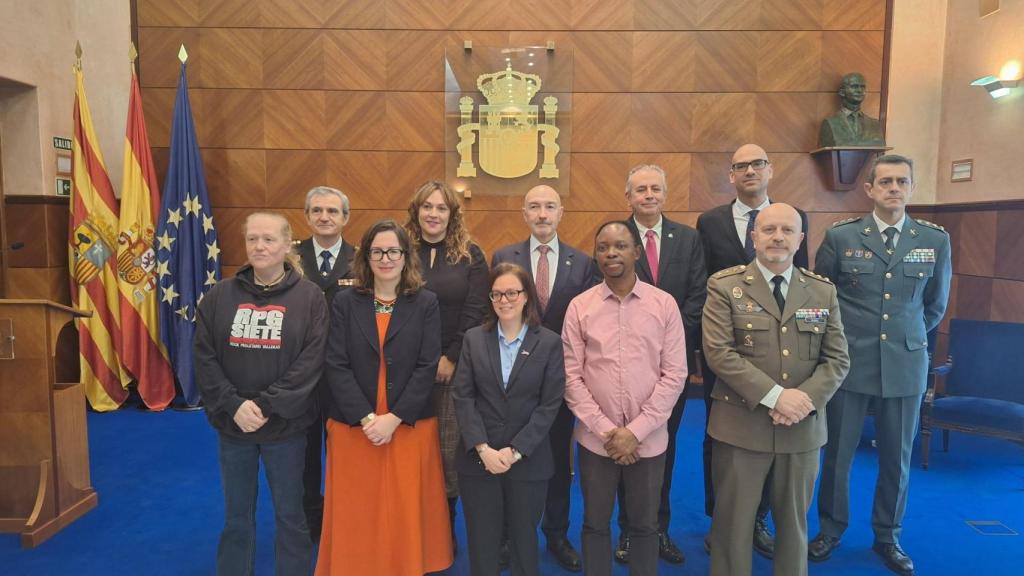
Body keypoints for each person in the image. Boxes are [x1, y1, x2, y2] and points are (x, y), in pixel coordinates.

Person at [811, 154, 952, 576]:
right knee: (837, 455)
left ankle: (888, 536)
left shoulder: (934, 240)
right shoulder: (841, 236)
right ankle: (830, 530)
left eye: (902, 182)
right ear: (869, 189)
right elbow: (823, 298)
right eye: (886, 181)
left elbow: (935, 305)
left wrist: (906, 337)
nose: (894, 188)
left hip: (905, 364)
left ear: (912, 188)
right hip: (850, 362)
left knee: (897, 458)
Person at [703, 203, 850, 576]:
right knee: (732, 527)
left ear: (801, 240)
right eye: (769, 230)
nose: (778, 238)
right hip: (741, 427)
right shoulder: (725, 285)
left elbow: (837, 360)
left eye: (787, 230)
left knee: (794, 528)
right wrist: (777, 396)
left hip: (801, 429)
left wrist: (803, 401)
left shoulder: (822, 291)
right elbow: (719, 353)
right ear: (754, 237)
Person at [317, 219, 452, 575]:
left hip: (407, 422)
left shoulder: (426, 302)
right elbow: (336, 363)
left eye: (393, 251)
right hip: (355, 424)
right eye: (377, 251)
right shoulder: (345, 301)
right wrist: (367, 418)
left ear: (406, 256)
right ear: (365, 257)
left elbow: (427, 365)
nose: (386, 258)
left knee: (404, 503)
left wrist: (394, 418)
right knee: (358, 504)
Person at [194, 211, 327, 575]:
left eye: (269, 239)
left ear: (286, 245)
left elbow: (311, 361)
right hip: (234, 426)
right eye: (252, 238)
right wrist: (233, 404)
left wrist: (267, 404)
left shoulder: (310, 298)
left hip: (286, 428)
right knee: (237, 516)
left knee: (291, 515)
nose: (259, 246)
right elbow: (204, 357)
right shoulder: (219, 296)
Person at [695, 143, 811, 556]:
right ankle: (723, 519)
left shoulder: (793, 218)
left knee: (775, 435)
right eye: (741, 166)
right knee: (721, 437)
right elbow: (704, 282)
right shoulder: (710, 221)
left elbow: (803, 284)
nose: (750, 171)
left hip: (781, 354)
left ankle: (759, 517)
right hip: (727, 352)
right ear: (731, 175)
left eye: (757, 164)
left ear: (770, 170)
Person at [562, 221, 687, 576]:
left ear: (636, 252)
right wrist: (608, 432)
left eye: (620, 246)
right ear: (596, 255)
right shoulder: (580, 307)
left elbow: (675, 375)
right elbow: (571, 377)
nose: (611, 253)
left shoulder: (664, 304)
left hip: (648, 440)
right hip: (595, 440)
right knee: (595, 524)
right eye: (603, 247)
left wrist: (635, 431)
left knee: (645, 525)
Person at [491, 184, 598, 572]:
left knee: (556, 459)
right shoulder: (504, 257)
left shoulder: (582, 264)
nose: (542, 214)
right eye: (534, 206)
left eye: (549, 206)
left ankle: (556, 533)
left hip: (560, 379)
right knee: (511, 454)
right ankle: (508, 534)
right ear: (524, 213)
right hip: (512, 380)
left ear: (560, 213)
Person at [452, 262, 566, 576]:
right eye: (497, 294)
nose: (504, 300)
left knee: (524, 545)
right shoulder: (474, 339)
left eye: (512, 293)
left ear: (526, 296)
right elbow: (463, 396)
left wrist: (515, 451)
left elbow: (549, 405)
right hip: (479, 460)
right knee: (482, 544)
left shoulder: (549, 342)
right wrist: (482, 448)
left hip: (528, 461)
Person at [619, 164, 706, 565]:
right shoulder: (615, 235)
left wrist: (665, 339)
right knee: (627, 445)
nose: (649, 195)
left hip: (673, 365)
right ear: (629, 196)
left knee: (663, 447)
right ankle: (627, 531)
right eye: (641, 189)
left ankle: (658, 530)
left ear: (665, 194)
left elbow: (698, 295)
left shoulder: (688, 239)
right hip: (625, 365)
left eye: (655, 188)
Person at [404, 180, 489, 553]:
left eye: (441, 208)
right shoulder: (401, 250)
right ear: (416, 211)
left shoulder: (470, 255)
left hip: (451, 368)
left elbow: (476, 309)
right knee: (410, 452)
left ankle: (443, 533)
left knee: (447, 453)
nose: (433, 214)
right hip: (406, 368)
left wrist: (451, 356)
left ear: (453, 214)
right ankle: (411, 530)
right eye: (427, 207)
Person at [294, 185, 355, 542]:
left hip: (344, 373)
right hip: (300, 373)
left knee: (344, 450)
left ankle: (342, 515)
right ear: (307, 216)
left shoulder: (360, 259)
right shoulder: (289, 257)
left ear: (345, 218)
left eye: (333, 211)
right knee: (303, 451)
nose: (324, 217)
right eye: (317, 210)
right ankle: (308, 516)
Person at [818, 72, 885, 147]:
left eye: (862, 87)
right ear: (842, 92)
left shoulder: (874, 124)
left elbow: (879, 144)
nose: (859, 90)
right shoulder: (830, 123)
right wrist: (868, 143)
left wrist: (846, 143)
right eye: (854, 87)